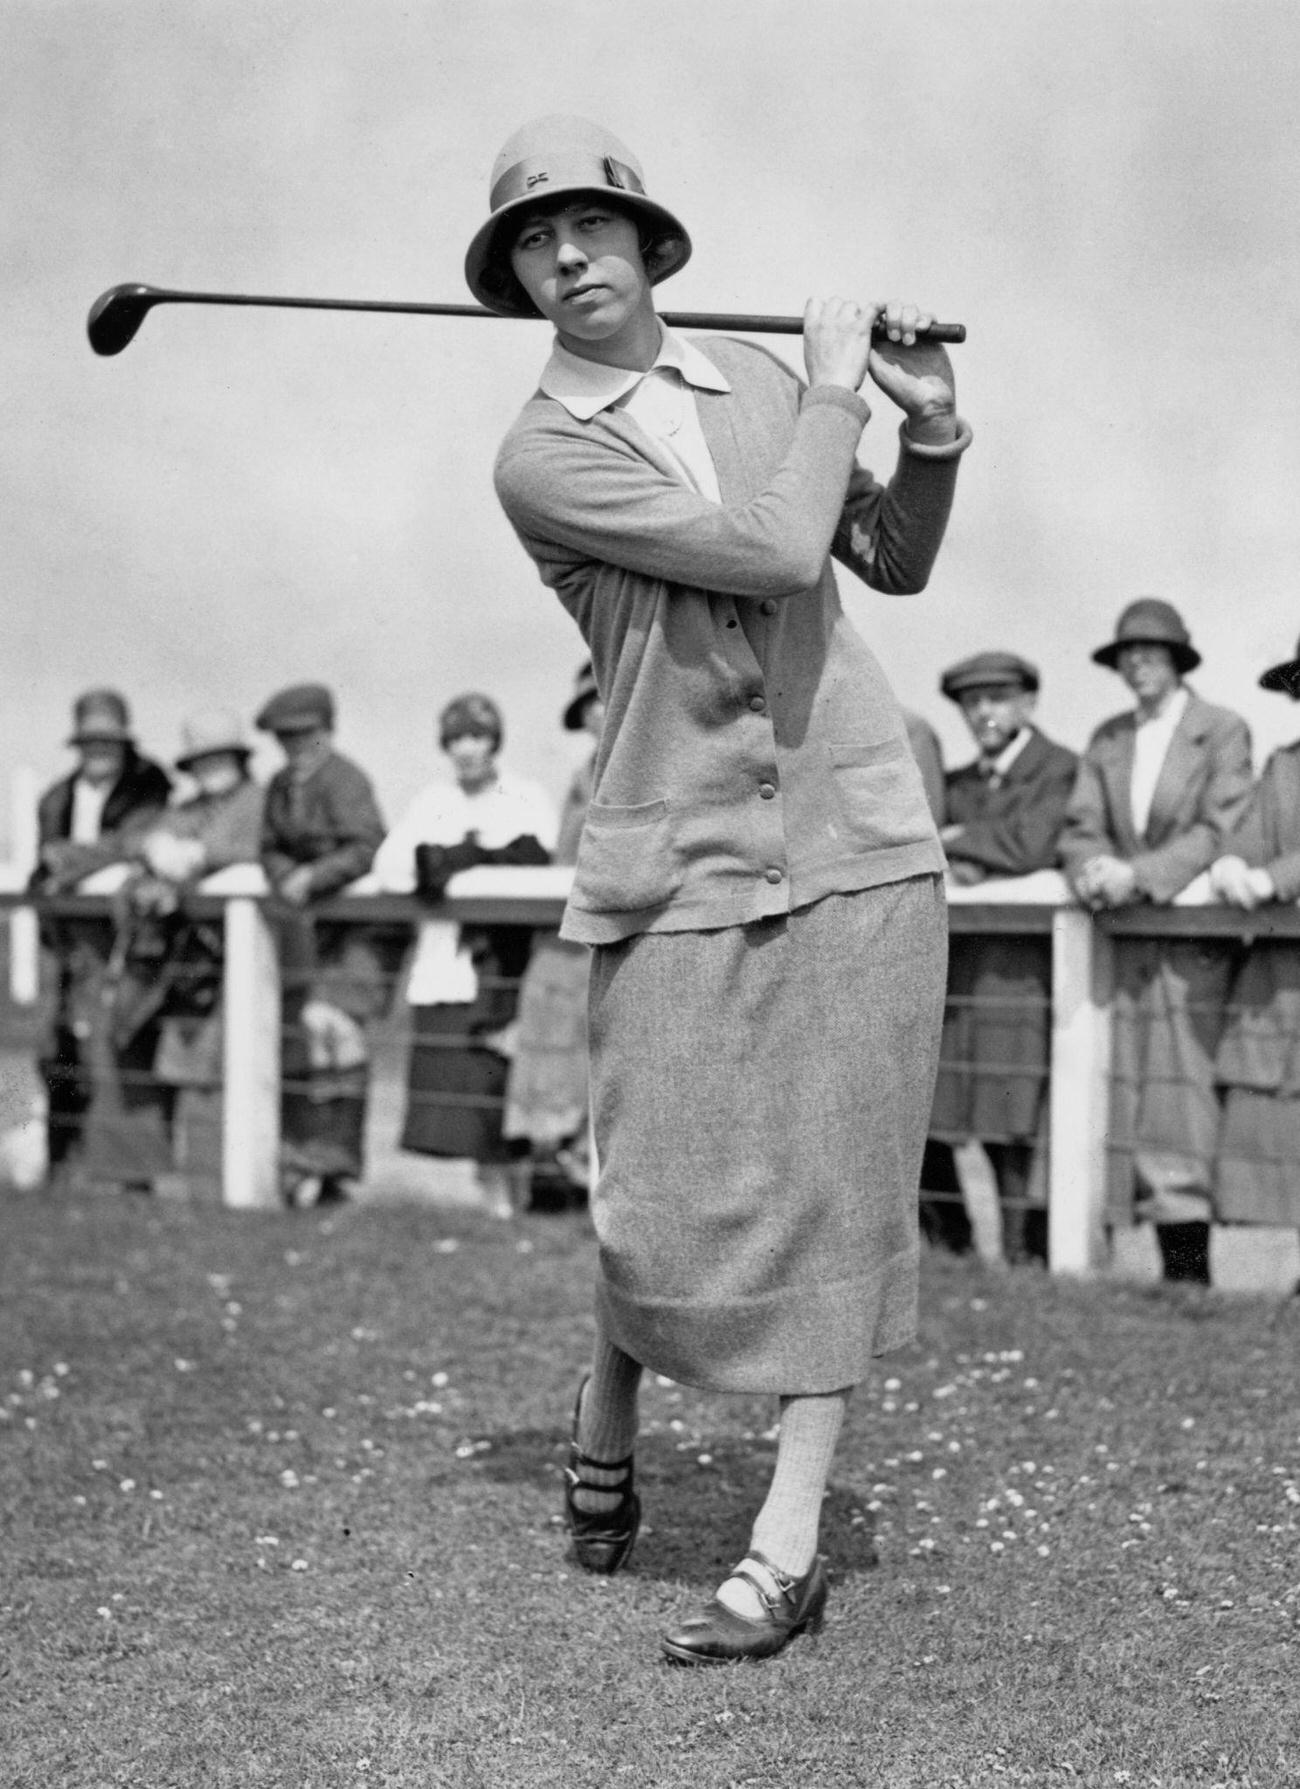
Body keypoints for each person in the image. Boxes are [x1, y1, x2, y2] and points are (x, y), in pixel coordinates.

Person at [470, 114, 970, 1662]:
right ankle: (609, 1393)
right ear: (522, 279)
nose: (571, 257)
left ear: (644, 245)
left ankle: (788, 1537)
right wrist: (833, 387)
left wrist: (931, 434)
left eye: (592, 228)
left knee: (841, 1182)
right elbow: (766, 550)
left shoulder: (755, 383)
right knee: (661, 1188)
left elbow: (878, 554)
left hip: (856, 825)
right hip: (671, 847)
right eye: (539, 241)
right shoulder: (542, 456)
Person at [1058, 599, 1252, 1284]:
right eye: (1127, 654)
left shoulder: (1221, 730)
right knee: (1118, 1089)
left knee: (1182, 1100)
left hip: (1188, 943)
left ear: (1177, 660)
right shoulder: (1109, 738)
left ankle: (1190, 1270)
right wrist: (1093, 870)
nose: (1139, 664)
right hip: (1123, 944)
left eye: (1152, 652)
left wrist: (1139, 875)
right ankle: (1102, 1254)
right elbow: (1080, 824)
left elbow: (1219, 826)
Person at [373, 692, 556, 1219]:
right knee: (459, 1081)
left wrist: (469, 857)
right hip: (449, 960)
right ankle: (488, 1195)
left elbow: (535, 855)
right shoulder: (434, 798)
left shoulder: (522, 793)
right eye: (455, 739)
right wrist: (446, 857)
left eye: (476, 737)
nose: (466, 750)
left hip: (503, 956)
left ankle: (517, 1190)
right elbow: (392, 865)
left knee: (501, 1072)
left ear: (493, 741)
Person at [928, 652, 1078, 1264]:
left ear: (1028, 704)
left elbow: (1031, 843)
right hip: (959, 965)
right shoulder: (959, 784)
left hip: (1021, 968)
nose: (984, 713)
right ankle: (953, 1248)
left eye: (997, 700)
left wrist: (963, 843)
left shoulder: (1059, 769)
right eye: (972, 703)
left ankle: (1024, 1256)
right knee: (941, 1102)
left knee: (1011, 1112)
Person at [32, 689, 172, 1187]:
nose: (98, 750)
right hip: (65, 941)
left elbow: (133, 843)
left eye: (107, 740)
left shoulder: (148, 786)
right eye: (90, 741)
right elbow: (44, 859)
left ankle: (130, 1175)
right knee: (56, 1044)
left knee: (119, 1045)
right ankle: (62, 1164)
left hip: (123, 941)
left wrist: (70, 862)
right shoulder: (57, 796)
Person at [123, 711, 266, 1193]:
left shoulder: (257, 802)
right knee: (188, 1067)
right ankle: (199, 1181)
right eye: (201, 760)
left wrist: (200, 856)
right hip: (191, 965)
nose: (210, 768)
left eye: (219, 757)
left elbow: (256, 846)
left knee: (238, 1068)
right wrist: (155, 850)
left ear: (238, 758)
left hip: (250, 960)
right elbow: (144, 838)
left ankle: (234, 1183)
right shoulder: (186, 810)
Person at [257, 682, 388, 1206]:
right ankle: (305, 1160)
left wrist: (313, 877)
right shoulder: (277, 787)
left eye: (304, 736)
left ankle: (337, 1166)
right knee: (304, 1040)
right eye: (284, 738)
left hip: (359, 932)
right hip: (307, 935)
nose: (294, 748)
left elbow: (367, 845)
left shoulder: (346, 779)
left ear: (326, 732)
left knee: (339, 1035)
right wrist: (287, 872)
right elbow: (267, 848)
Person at [502, 662, 604, 1202]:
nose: (596, 713)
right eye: (588, 705)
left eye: (604, 697)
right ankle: (553, 1158)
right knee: (548, 1034)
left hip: (614, 930)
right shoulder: (584, 773)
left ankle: (582, 1163)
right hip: (565, 931)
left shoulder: (645, 760)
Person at [1208, 634, 1300, 1232]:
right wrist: (1233, 864)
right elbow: (1251, 838)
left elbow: (1276, 872)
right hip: (1284, 982)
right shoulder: (1286, 766)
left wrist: (1276, 878)